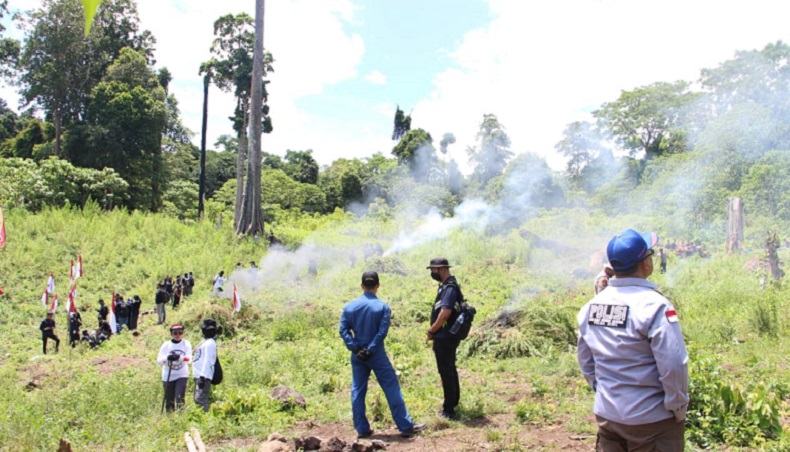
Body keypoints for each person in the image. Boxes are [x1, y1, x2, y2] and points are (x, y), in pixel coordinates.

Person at [577, 229, 689, 451]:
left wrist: (604, 393)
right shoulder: (655, 306)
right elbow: (673, 364)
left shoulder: (591, 307)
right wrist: (677, 407)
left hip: (608, 417)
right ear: (645, 263)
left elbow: (586, 361)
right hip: (653, 422)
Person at [339, 271, 427, 438]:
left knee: (358, 389)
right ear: (378, 286)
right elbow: (382, 331)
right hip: (376, 354)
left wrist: (355, 348)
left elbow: (343, 330)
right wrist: (371, 349)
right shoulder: (382, 307)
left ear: (362, 286)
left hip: (358, 355)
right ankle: (405, 426)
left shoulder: (349, 307)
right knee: (391, 386)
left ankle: (362, 429)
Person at [425, 258, 463, 421]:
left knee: (446, 371)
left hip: (445, 337)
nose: (432, 273)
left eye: (433, 270)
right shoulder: (447, 286)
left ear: (441, 269)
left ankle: (449, 410)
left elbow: (445, 313)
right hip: (447, 336)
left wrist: (432, 330)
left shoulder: (449, 288)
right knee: (449, 369)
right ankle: (453, 401)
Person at [157, 324, 192, 413]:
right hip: (168, 375)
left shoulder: (186, 344)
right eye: (175, 333)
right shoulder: (166, 345)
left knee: (179, 397)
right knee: (169, 400)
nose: (178, 335)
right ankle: (170, 417)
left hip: (182, 374)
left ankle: (181, 416)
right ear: (171, 334)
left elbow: (189, 359)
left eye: (180, 333)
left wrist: (179, 357)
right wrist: (167, 358)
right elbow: (159, 361)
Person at [193, 319, 219, 412]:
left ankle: (205, 416)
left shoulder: (210, 343)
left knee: (200, 399)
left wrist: (202, 377)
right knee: (197, 398)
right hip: (199, 374)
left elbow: (208, 361)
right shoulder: (206, 341)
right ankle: (202, 416)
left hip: (203, 376)